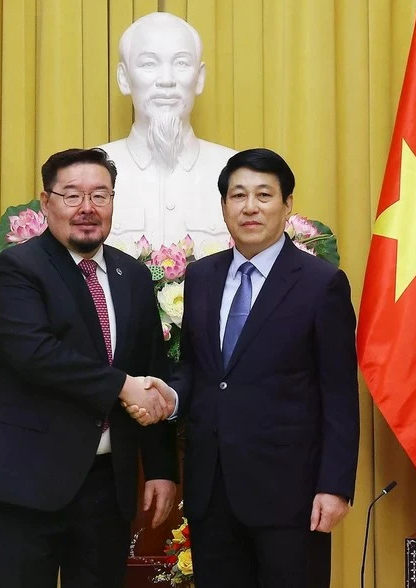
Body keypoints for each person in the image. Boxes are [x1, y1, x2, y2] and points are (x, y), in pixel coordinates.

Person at [130, 148, 360, 587]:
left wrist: (335, 485)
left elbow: (339, 394)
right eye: (238, 196)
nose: (250, 207)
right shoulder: (201, 278)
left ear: (287, 205)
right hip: (212, 491)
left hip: (291, 494)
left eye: (264, 195)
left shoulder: (320, 284)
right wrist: (171, 397)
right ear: (223, 207)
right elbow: (201, 372)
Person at [0, 148, 179, 588]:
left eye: (100, 195)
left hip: (109, 485)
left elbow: (151, 370)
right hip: (30, 481)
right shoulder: (18, 269)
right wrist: (122, 386)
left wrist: (161, 467)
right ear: (45, 202)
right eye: (72, 195)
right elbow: (34, 354)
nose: (87, 208)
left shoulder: (133, 276)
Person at [99, 12, 236, 250]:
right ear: (123, 78)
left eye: (181, 63)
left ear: (200, 77)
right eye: (149, 64)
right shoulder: (85, 173)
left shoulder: (237, 170)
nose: (166, 80)